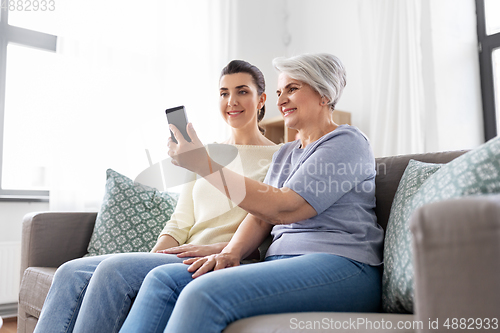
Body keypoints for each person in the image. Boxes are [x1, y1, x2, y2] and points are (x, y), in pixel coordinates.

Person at [119, 53, 385, 333]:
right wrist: (230, 253)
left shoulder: (346, 141)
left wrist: (205, 165)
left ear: (324, 95)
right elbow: (260, 219)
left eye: (292, 90)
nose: (281, 101)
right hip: (281, 261)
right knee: (163, 280)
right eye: (280, 92)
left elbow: (285, 208)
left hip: (343, 264)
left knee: (204, 294)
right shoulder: (285, 154)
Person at [33, 60, 279, 333]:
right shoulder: (202, 154)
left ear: (261, 99)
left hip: (223, 258)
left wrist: (221, 248)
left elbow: (269, 225)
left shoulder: (279, 158)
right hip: (180, 254)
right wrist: (154, 256)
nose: (231, 101)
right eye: (224, 93)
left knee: (113, 270)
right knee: (69, 271)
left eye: (242, 91)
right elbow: (180, 221)